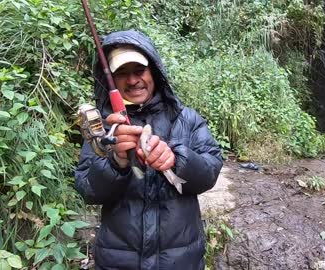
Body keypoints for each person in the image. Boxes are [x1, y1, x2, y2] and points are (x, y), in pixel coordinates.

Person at [74, 30, 223, 270]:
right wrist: (116, 162)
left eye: (139, 71)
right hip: (118, 263)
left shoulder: (187, 119)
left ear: (153, 71)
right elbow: (87, 188)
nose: (132, 80)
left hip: (180, 262)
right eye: (121, 73)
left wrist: (177, 158)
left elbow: (210, 172)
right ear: (111, 78)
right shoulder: (104, 127)